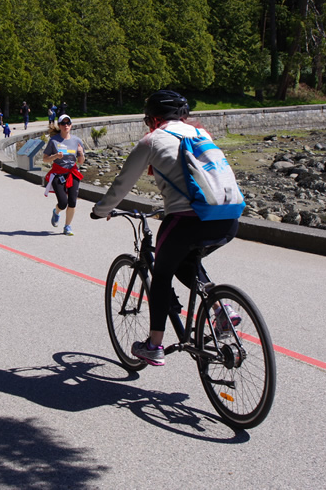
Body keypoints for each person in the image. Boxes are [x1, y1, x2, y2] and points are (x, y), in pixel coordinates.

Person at [90, 90, 241, 366]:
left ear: (154, 118)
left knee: (161, 274)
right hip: (229, 218)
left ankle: (154, 345)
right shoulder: (200, 134)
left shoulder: (152, 140)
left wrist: (100, 211)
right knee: (184, 262)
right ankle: (221, 309)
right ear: (183, 115)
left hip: (188, 220)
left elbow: (122, 184)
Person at [42, 114, 85, 236]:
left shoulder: (77, 141)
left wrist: (81, 153)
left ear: (71, 125)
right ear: (60, 126)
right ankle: (56, 212)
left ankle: (67, 226)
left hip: (72, 173)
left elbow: (81, 162)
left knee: (72, 202)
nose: (66, 126)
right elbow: (45, 159)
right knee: (63, 202)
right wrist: (55, 156)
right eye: (63, 124)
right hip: (58, 173)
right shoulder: (54, 141)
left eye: (68, 123)